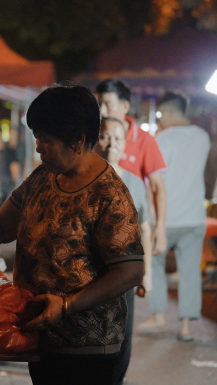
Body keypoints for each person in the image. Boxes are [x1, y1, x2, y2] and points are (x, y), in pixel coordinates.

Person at [0, 83, 144, 385]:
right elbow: (2, 224)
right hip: (41, 334)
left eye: (46, 140)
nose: (38, 147)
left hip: (86, 347)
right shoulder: (44, 176)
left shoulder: (109, 195)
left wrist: (67, 305)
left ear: (77, 140)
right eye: (37, 137)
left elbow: (130, 271)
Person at [139, 91, 210, 341]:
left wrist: (147, 215)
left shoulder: (162, 139)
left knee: (155, 262)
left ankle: (159, 317)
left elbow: (152, 182)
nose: (159, 119)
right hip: (194, 218)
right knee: (190, 270)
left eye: (160, 114)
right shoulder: (203, 138)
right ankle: (186, 326)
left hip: (166, 219)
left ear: (168, 112)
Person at [95, 117, 153, 385]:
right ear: (96, 139)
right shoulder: (85, 179)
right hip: (92, 273)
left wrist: (147, 274)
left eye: (118, 138)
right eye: (106, 137)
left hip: (125, 272)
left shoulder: (134, 181)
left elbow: (145, 229)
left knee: (124, 335)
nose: (111, 144)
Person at [95, 78, 168, 256]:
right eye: (99, 104)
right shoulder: (95, 137)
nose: (102, 110)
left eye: (108, 104)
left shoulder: (143, 140)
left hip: (133, 228)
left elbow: (158, 187)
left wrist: (159, 227)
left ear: (125, 107)